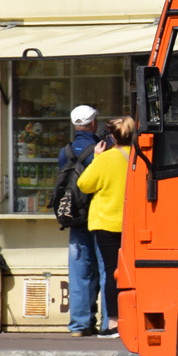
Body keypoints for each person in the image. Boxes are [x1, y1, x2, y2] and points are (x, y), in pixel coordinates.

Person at [77, 115, 135, 339]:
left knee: (113, 272)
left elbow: (84, 184)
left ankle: (113, 322)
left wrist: (96, 157)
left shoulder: (105, 158)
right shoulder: (139, 158)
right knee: (131, 272)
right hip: (131, 224)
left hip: (106, 223)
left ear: (111, 137)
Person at [57, 105, 101, 337]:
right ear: (93, 123)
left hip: (75, 217)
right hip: (99, 216)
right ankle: (108, 324)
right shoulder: (102, 149)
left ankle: (79, 324)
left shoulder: (65, 151)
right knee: (104, 270)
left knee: (79, 272)